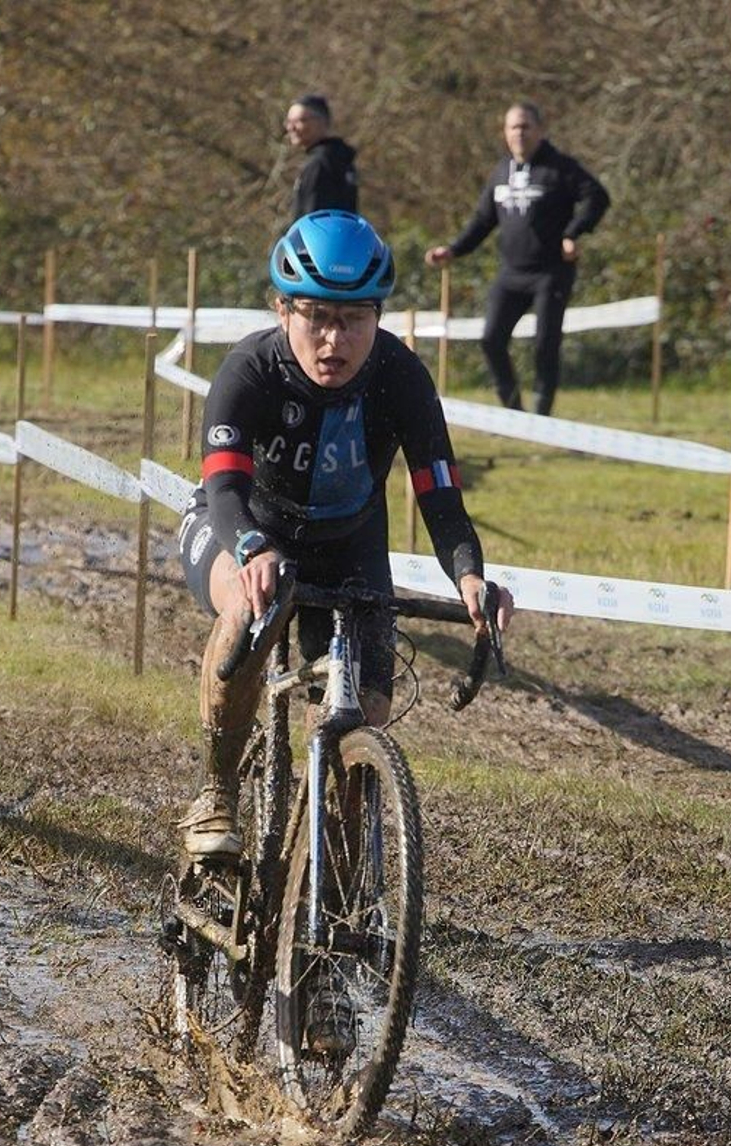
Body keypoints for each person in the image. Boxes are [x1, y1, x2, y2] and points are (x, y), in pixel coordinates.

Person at [176, 210, 512, 875]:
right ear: (282, 309)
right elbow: (222, 490)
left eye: (354, 319)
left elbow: (441, 499)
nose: (334, 339)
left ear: (378, 317)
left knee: (364, 724)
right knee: (248, 617)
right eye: (315, 318)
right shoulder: (250, 370)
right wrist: (250, 548)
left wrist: (470, 576)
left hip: (350, 545)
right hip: (242, 528)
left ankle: (330, 882)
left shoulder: (403, 378)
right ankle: (216, 794)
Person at [424, 101, 609, 416]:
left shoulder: (560, 168)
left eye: (525, 126)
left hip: (551, 272)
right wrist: (454, 249)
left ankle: (541, 415)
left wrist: (573, 233)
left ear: (540, 130)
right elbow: (483, 220)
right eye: (513, 127)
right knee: (491, 339)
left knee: (544, 344)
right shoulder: (501, 172)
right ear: (505, 133)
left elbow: (598, 197)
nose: (519, 133)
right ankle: (513, 411)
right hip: (511, 273)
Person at [285, 95, 359, 219]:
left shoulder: (319, 164)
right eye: (289, 122)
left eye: (300, 120)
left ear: (322, 122)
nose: (291, 128)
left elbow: (313, 222)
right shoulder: (340, 158)